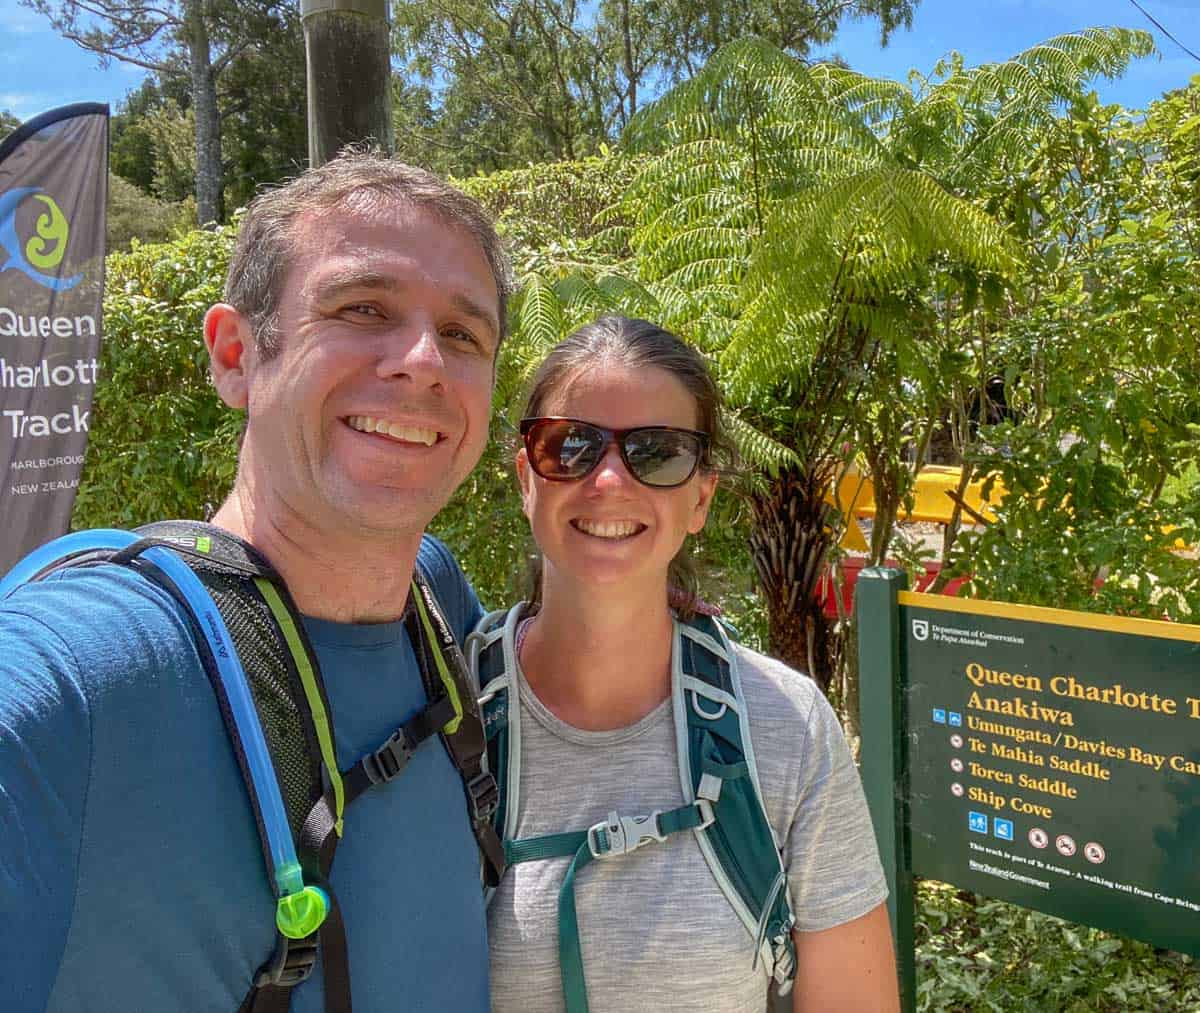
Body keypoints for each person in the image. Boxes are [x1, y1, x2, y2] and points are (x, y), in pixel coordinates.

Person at [0, 151, 510, 1013]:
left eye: (463, 334)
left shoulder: (436, 604)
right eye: (363, 309)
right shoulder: (88, 670)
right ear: (236, 355)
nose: (424, 360)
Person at [483, 315, 899, 1012]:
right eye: (572, 445)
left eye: (659, 451)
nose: (610, 480)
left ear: (701, 495)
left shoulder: (783, 728)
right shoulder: (447, 709)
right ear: (528, 477)